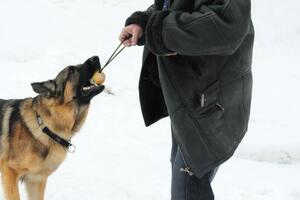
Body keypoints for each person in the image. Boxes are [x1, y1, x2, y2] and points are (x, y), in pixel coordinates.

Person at [119, 0, 254, 199]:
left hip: (211, 99)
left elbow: (226, 25)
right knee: (184, 177)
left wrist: (163, 31)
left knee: (187, 188)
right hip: (188, 94)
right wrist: (145, 22)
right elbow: (173, 5)